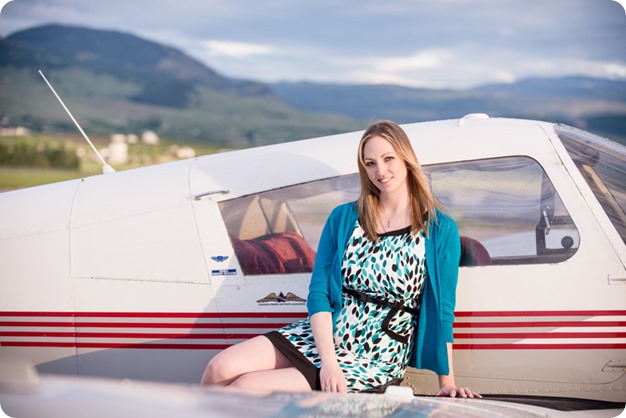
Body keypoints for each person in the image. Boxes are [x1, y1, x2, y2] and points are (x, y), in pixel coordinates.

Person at [201, 120, 480, 398]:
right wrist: (329, 362)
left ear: (406, 158)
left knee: (245, 387)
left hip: (375, 353)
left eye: (388, 159)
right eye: (370, 163)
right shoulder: (344, 217)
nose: (380, 171)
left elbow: (443, 310)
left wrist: (446, 383)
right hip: (325, 337)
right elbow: (319, 293)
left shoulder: (440, 229)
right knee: (219, 368)